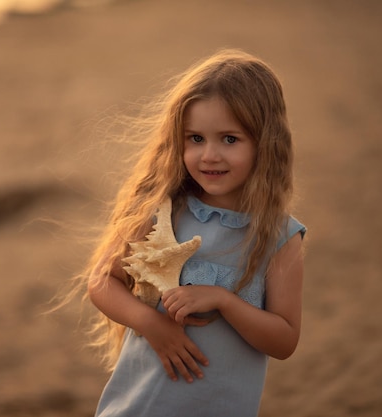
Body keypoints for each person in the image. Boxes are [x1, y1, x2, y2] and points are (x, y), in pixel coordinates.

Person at [83, 49, 306, 417]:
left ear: (265, 143)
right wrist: (151, 323)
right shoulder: (164, 209)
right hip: (141, 405)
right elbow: (103, 281)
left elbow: (284, 340)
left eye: (230, 139)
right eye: (196, 139)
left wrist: (224, 300)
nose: (210, 156)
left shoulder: (279, 237)